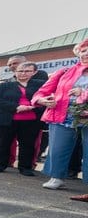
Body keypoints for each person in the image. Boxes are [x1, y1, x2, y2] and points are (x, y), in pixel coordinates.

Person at [32, 38, 88, 201]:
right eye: (84, 51)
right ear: (78, 53)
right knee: (58, 148)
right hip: (63, 114)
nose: (86, 54)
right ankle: (56, 177)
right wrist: (42, 100)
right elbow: (41, 92)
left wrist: (82, 93)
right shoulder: (64, 72)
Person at [0, 62, 45, 176]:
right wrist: (16, 107)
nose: (23, 73)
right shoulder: (4, 85)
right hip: (7, 118)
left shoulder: (41, 85)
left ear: (34, 72)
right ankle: (1, 164)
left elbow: (47, 97)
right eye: (20, 71)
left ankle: (25, 167)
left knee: (28, 144)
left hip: (31, 119)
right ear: (15, 72)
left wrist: (33, 106)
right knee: (3, 143)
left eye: (27, 71)